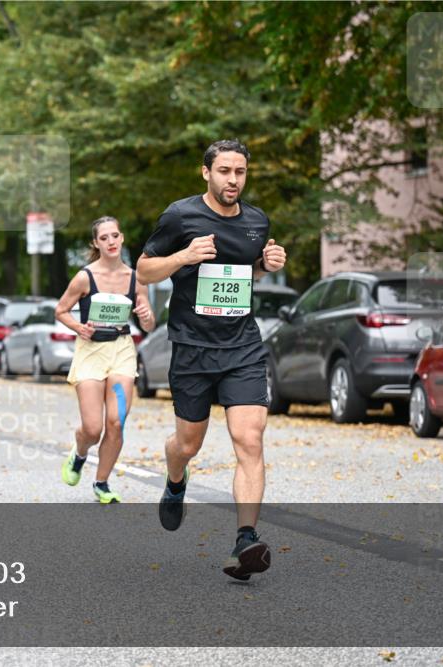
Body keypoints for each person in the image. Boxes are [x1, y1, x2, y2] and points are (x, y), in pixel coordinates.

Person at [136, 138, 286, 580]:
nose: (233, 180)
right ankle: (175, 481)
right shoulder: (180, 215)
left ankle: (246, 540)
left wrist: (267, 263)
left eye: (240, 172)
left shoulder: (256, 220)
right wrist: (183, 255)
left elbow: (247, 269)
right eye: (224, 171)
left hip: (242, 346)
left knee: (250, 440)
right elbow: (143, 269)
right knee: (188, 444)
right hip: (193, 348)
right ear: (207, 173)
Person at [56, 216, 156, 504]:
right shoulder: (85, 277)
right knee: (93, 428)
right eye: (104, 238)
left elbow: (147, 323)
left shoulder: (137, 277)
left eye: (115, 236)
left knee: (116, 422)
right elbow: (60, 310)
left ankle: (101, 482)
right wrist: (79, 327)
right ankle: (79, 452)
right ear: (95, 243)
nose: (111, 242)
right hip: (90, 352)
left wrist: (147, 318)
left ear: (122, 238)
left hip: (122, 350)